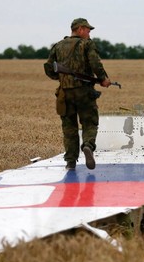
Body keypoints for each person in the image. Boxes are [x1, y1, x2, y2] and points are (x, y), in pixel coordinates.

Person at [45, 18, 112, 171]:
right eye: (88, 30)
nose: (89, 34)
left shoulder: (58, 46)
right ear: (80, 29)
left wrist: (61, 78)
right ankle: (87, 145)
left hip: (64, 93)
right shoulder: (86, 44)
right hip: (84, 92)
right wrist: (103, 79)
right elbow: (96, 63)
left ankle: (70, 162)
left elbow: (49, 68)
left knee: (69, 129)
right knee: (89, 122)